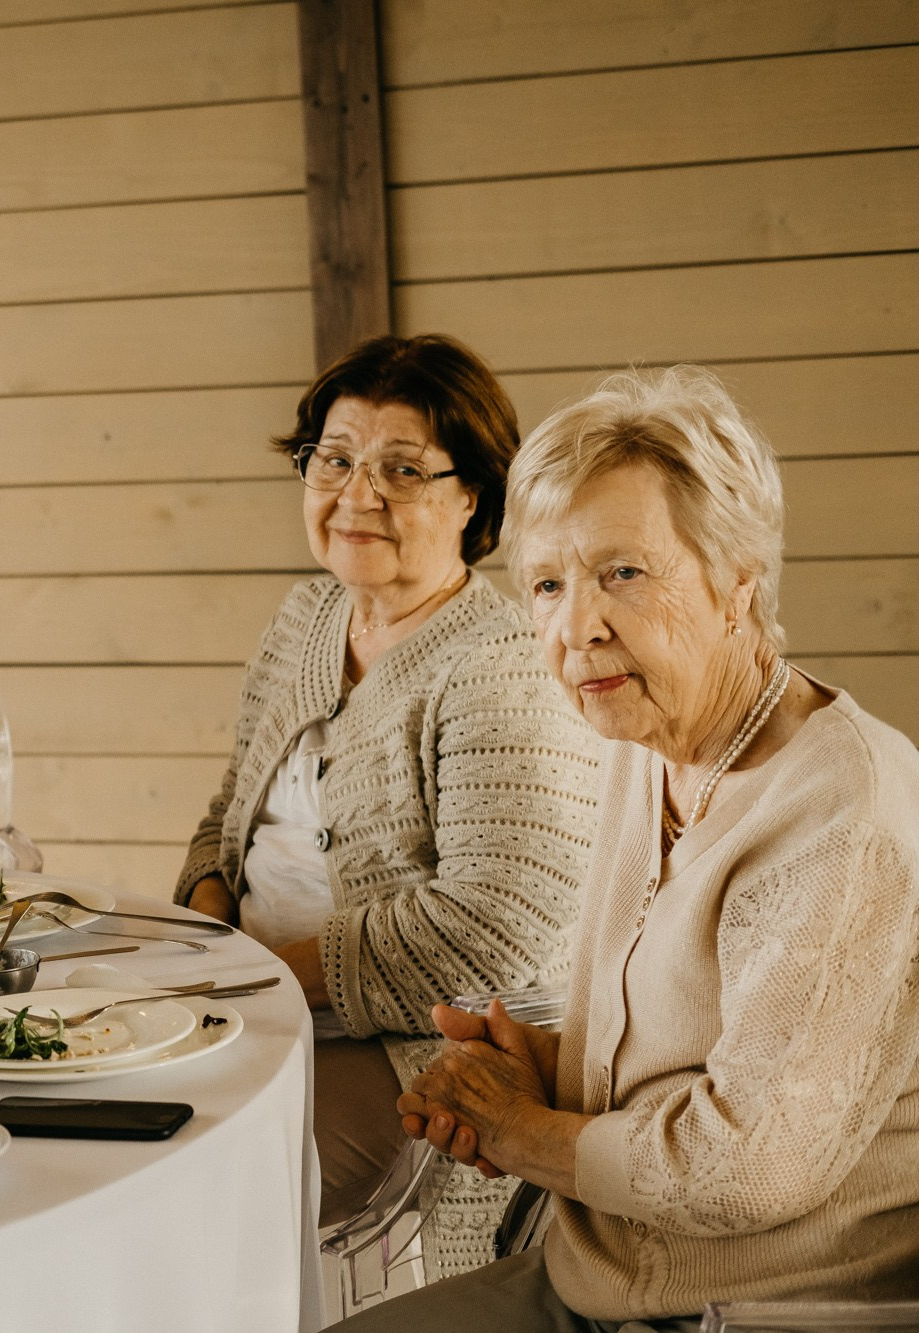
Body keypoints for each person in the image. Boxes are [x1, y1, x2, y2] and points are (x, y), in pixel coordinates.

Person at [351, 367, 919, 1329]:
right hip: (600, 1277)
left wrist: (524, 1130)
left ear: (739, 583)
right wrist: (542, 1064)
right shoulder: (644, 743)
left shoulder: (840, 811)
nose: (578, 627)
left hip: (759, 1309)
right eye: (547, 583)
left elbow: (748, 1167)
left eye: (624, 572)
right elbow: (694, 1036)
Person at [175, 334, 601, 1222]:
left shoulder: (504, 663)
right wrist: (203, 929)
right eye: (334, 459)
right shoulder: (306, 616)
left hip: (413, 1048)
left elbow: (494, 932)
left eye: (403, 470)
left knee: (191, 1192)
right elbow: (229, 813)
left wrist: (249, 976)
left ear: (473, 494)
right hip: (253, 1005)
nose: (356, 494)